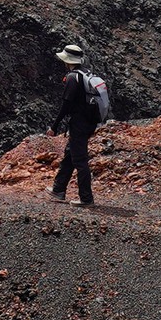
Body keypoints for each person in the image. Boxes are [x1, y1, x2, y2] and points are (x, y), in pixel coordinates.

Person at [49, 44, 99, 207]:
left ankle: (86, 198)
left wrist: (54, 126)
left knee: (80, 160)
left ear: (67, 61)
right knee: (70, 155)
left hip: (79, 124)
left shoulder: (72, 77)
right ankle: (58, 189)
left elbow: (66, 104)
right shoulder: (86, 74)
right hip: (89, 122)